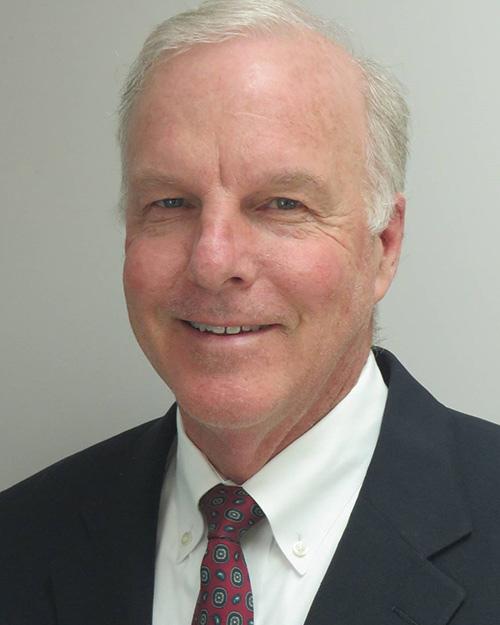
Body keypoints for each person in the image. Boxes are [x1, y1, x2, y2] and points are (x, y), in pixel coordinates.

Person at [1, 0, 499, 623]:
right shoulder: (19, 541)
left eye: (282, 204)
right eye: (171, 202)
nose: (213, 262)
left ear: (384, 245)